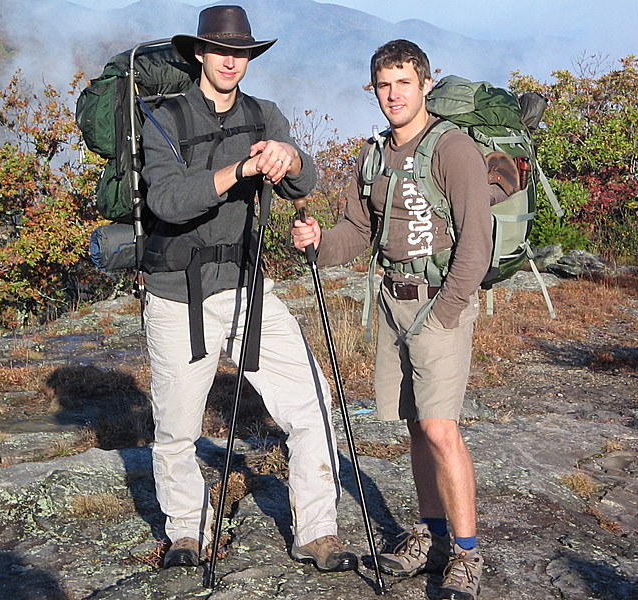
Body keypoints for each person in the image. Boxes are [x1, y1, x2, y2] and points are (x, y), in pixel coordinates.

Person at [140, 5, 357, 573]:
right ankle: (187, 531)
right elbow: (167, 200)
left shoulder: (266, 115)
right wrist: (238, 171)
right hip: (176, 295)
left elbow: (304, 182)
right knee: (177, 429)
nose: (231, 61)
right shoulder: (163, 118)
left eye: (241, 53)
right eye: (221, 51)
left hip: (245, 286)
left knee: (311, 404)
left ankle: (316, 532)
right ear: (199, 54)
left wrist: (292, 158)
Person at [292, 39, 496, 599]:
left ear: (425, 85)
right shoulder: (373, 155)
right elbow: (356, 234)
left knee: (440, 428)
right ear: (373, 89)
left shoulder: (452, 149)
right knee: (413, 426)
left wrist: (446, 312)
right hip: (391, 301)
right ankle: (430, 538)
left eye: (403, 82)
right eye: (383, 85)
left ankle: (467, 553)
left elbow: (476, 243)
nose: (393, 95)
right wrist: (317, 242)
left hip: (440, 302)